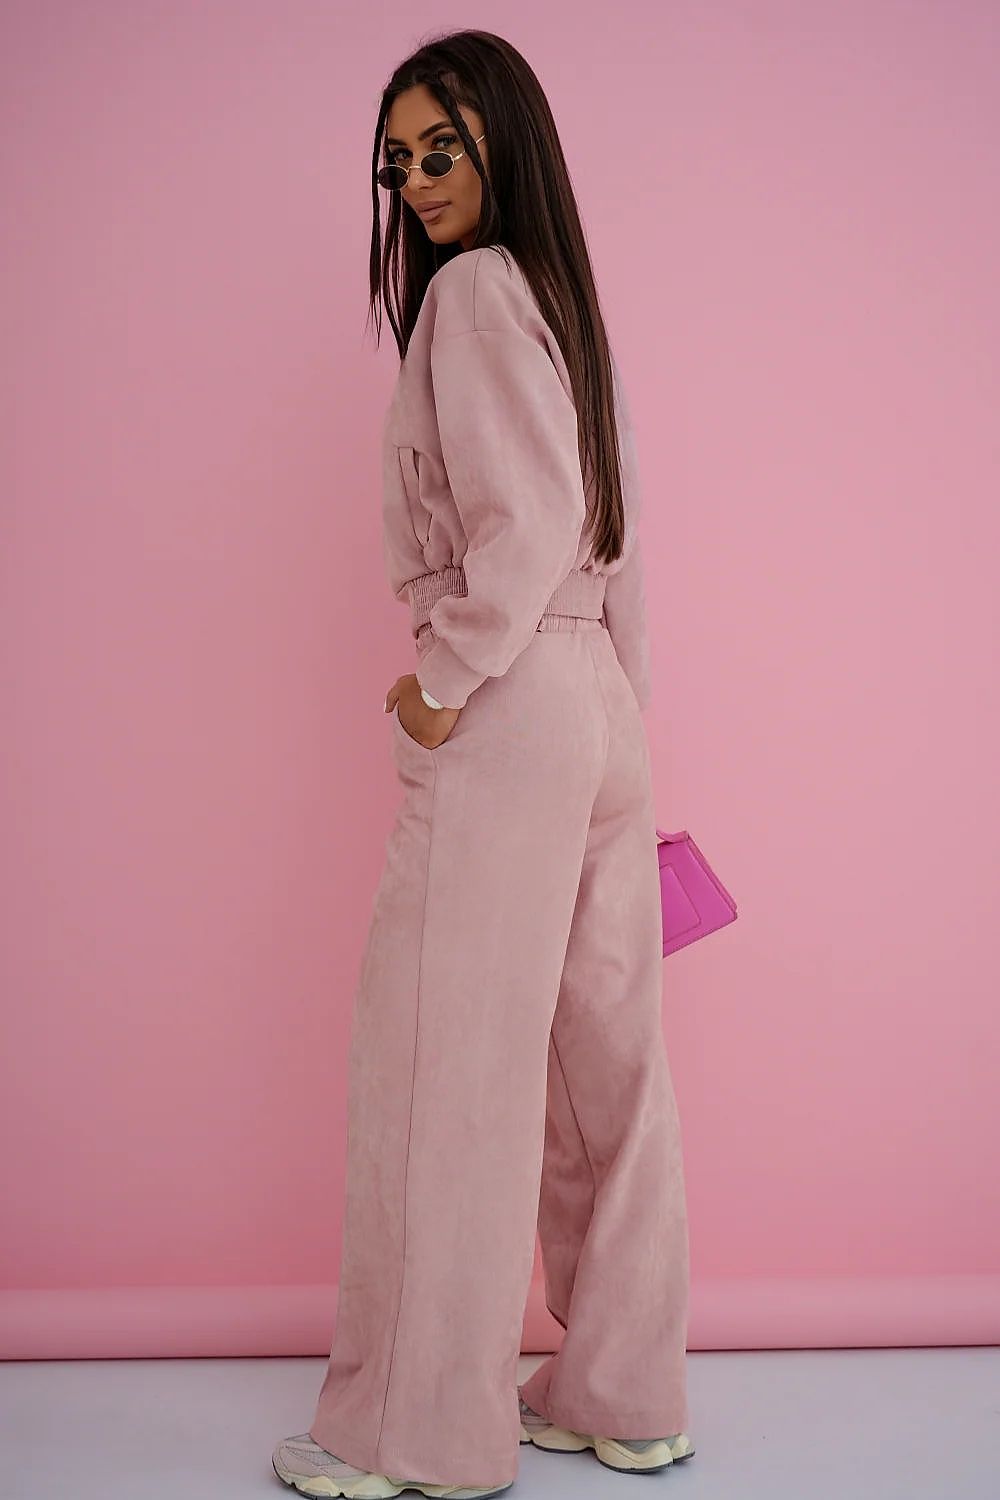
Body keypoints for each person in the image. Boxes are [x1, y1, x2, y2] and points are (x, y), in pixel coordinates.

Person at [271, 28, 694, 1500]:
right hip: (598, 710)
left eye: (441, 147)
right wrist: (624, 735)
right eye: (399, 161)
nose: (418, 182)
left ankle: (417, 1435)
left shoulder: (469, 297)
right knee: (607, 1074)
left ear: (505, 137)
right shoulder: (572, 310)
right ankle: (623, 1393)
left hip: (512, 702)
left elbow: (518, 530)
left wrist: (442, 686)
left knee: (439, 1072)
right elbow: (611, 541)